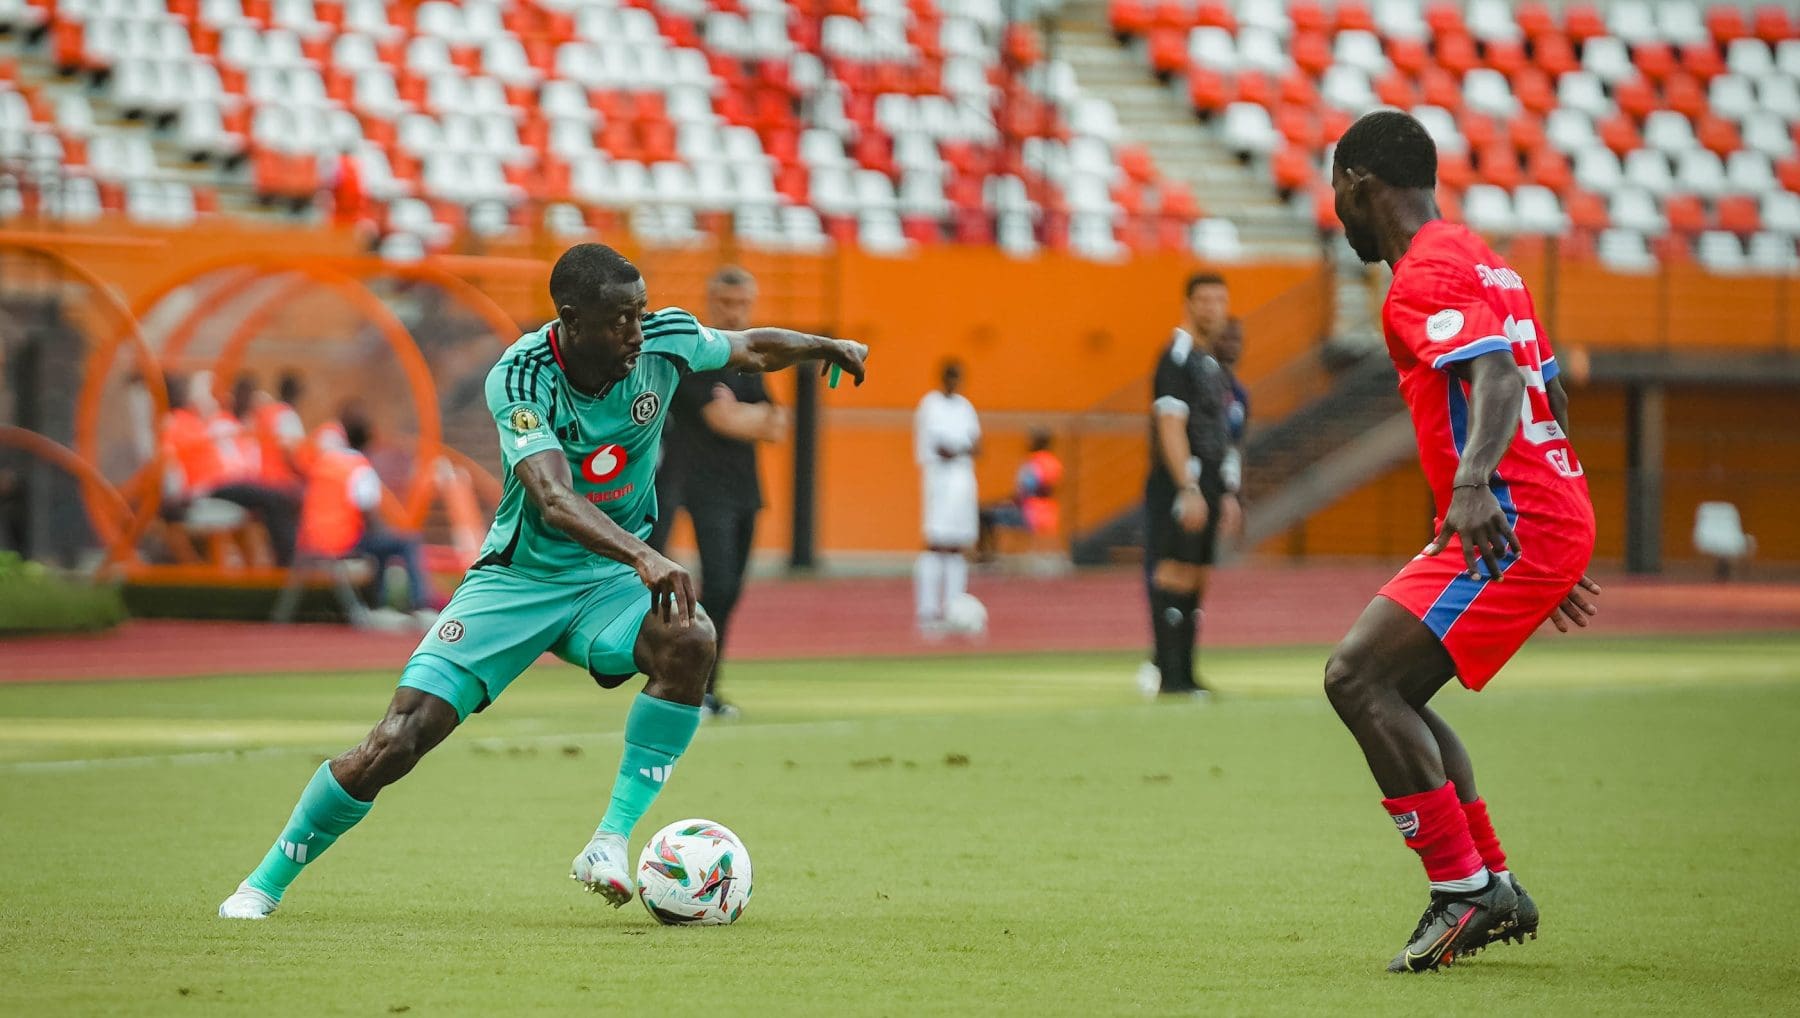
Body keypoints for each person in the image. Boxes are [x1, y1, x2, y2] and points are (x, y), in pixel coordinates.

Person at [217, 242, 868, 920]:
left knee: (690, 636)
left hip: (606, 583)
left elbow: (750, 347)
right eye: (619, 319)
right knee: (397, 740)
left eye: (640, 314)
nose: (636, 332)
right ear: (570, 318)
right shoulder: (522, 377)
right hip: (518, 583)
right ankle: (262, 883)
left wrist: (826, 345)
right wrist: (645, 556)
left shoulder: (664, 340)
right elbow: (554, 498)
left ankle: (609, 841)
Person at [1324, 110, 1602, 973]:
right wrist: (1547, 517)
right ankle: (1492, 881)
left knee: (1359, 678)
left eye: (1336, 192)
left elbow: (1496, 374)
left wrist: (1481, 487)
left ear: (1360, 185)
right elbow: (1546, 394)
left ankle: (1466, 889)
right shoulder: (1489, 263)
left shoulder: (1424, 274)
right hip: (1533, 511)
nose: (1335, 212)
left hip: (1512, 511)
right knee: (1393, 686)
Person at [650, 266, 789, 719]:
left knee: (729, 593)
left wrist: (751, 416)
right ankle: (685, 683)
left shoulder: (750, 359)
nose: (735, 311)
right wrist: (755, 417)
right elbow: (721, 419)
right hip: (701, 485)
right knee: (714, 586)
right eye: (727, 303)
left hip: (744, 488)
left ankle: (708, 686)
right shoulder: (699, 354)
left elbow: (780, 424)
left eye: (743, 303)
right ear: (712, 301)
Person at [1142, 273, 1242, 698]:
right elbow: (1170, 424)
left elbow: (1220, 430)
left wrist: (1229, 491)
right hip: (1183, 483)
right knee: (1174, 571)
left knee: (1197, 575)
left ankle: (1187, 672)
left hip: (1212, 484)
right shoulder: (1176, 357)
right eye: (1205, 300)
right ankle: (1170, 674)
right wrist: (1187, 485)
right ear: (1188, 304)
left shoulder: (1211, 361)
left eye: (1220, 300)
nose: (1213, 308)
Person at [296, 410, 435, 618]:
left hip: (311, 541)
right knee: (406, 542)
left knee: (380, 544)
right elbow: (368, 512)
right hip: (342, 541)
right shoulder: (359, 468)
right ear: (368, 439)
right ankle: (420, 604)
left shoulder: (326, 461)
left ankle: (378, 604)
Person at [912, 359, 980, 634]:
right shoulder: (931, 405)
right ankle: (927, 611)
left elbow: (977, 445)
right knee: (936, 542)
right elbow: (939, 448)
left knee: (957, 545)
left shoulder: (965, 407)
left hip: (963, 480)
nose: (955, 382)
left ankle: (953, 608)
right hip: (939, 479)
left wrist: (960, 449)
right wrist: (960, 448)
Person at [976, 429, 1061, 561]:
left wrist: (1004, 501)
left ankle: (986, 556)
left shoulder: (1034, 463)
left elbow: (1024, 491)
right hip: (1049, 511)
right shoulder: (1054, 463)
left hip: (1029, 512)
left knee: (985, 515)